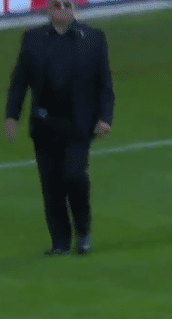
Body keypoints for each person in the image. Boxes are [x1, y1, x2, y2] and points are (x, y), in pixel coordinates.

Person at [4, 0, 115, 256]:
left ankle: (83, 232)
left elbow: (104, 84)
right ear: (48, 10)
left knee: (74, 176)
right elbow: (19, 81)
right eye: (58, 4)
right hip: (45, 125)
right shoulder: (32, 40)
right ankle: (60, 242)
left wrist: (105, 118)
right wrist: (12, 116)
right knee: (51, 186)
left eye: (68, 4)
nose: (64, 8)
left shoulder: (93, 38)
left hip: (79, 125)